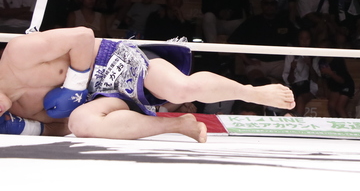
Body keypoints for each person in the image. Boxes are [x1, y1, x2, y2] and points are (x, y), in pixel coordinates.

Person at [0, 27, 294, 142]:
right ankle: (177, 125)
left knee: (180, 89)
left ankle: (250, 92)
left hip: (113, 60)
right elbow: (63, 126)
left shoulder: (17, 54)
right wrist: (31, 129)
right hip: (102, 98)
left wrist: (74, 85)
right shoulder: (17, 112)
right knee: (81, 123)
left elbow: (82, 36)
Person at [228, 0, 296, 85]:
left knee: (297, 77)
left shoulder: (284, 22)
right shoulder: (252, 21)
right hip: (257, 63)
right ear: (261, 5)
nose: (269, 6)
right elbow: (232, 41)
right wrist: (247, 60)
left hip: (280, 63)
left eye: (272, 3)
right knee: (258, 80)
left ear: (276, 5)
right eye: (266, 3)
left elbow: (297, 40)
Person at [282, 29, 319, 116]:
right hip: (293, 87)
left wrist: (309, 65)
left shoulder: (314, 56)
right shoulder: (291, 55)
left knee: (300, 99)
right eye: (302, 38)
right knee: (289, 100)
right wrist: (292, 69)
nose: (304, 41)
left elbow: (316, 79)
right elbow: (289, 81)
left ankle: (297, 122)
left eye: (307, 38)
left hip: (309, 88)